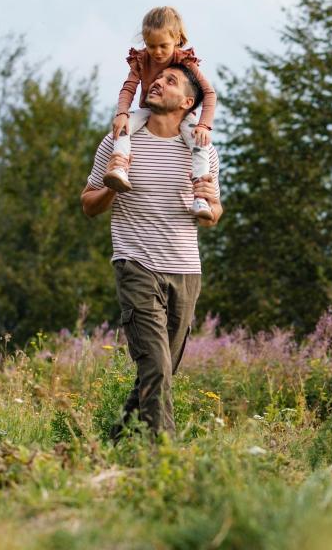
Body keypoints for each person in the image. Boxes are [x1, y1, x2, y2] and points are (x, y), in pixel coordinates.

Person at [82, 64, 222, 438]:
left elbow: (212, 215)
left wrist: (212, 203)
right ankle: (166, 461)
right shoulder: (120, 140)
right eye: (156, 79)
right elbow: (88, 204)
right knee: (157, 367)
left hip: (186, 271)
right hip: (136, 264)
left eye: (170, 81)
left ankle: (112, 448)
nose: (157, 82)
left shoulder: (202, 149)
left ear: (188, 102)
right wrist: (114, 187)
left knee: (159, 371)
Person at [104, 6, 218, 220]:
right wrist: (122, 112)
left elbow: (209, 93)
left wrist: (204, 125)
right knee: (124, 126)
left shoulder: (183, 60)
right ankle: (120, 167)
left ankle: (200, 195)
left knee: (199, 143)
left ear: (176, 38)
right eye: (150, 45)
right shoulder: (141, 59)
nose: (156, 52)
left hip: (183, 116)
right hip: (148, 110)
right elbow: (129, 87)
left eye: (163, 46)